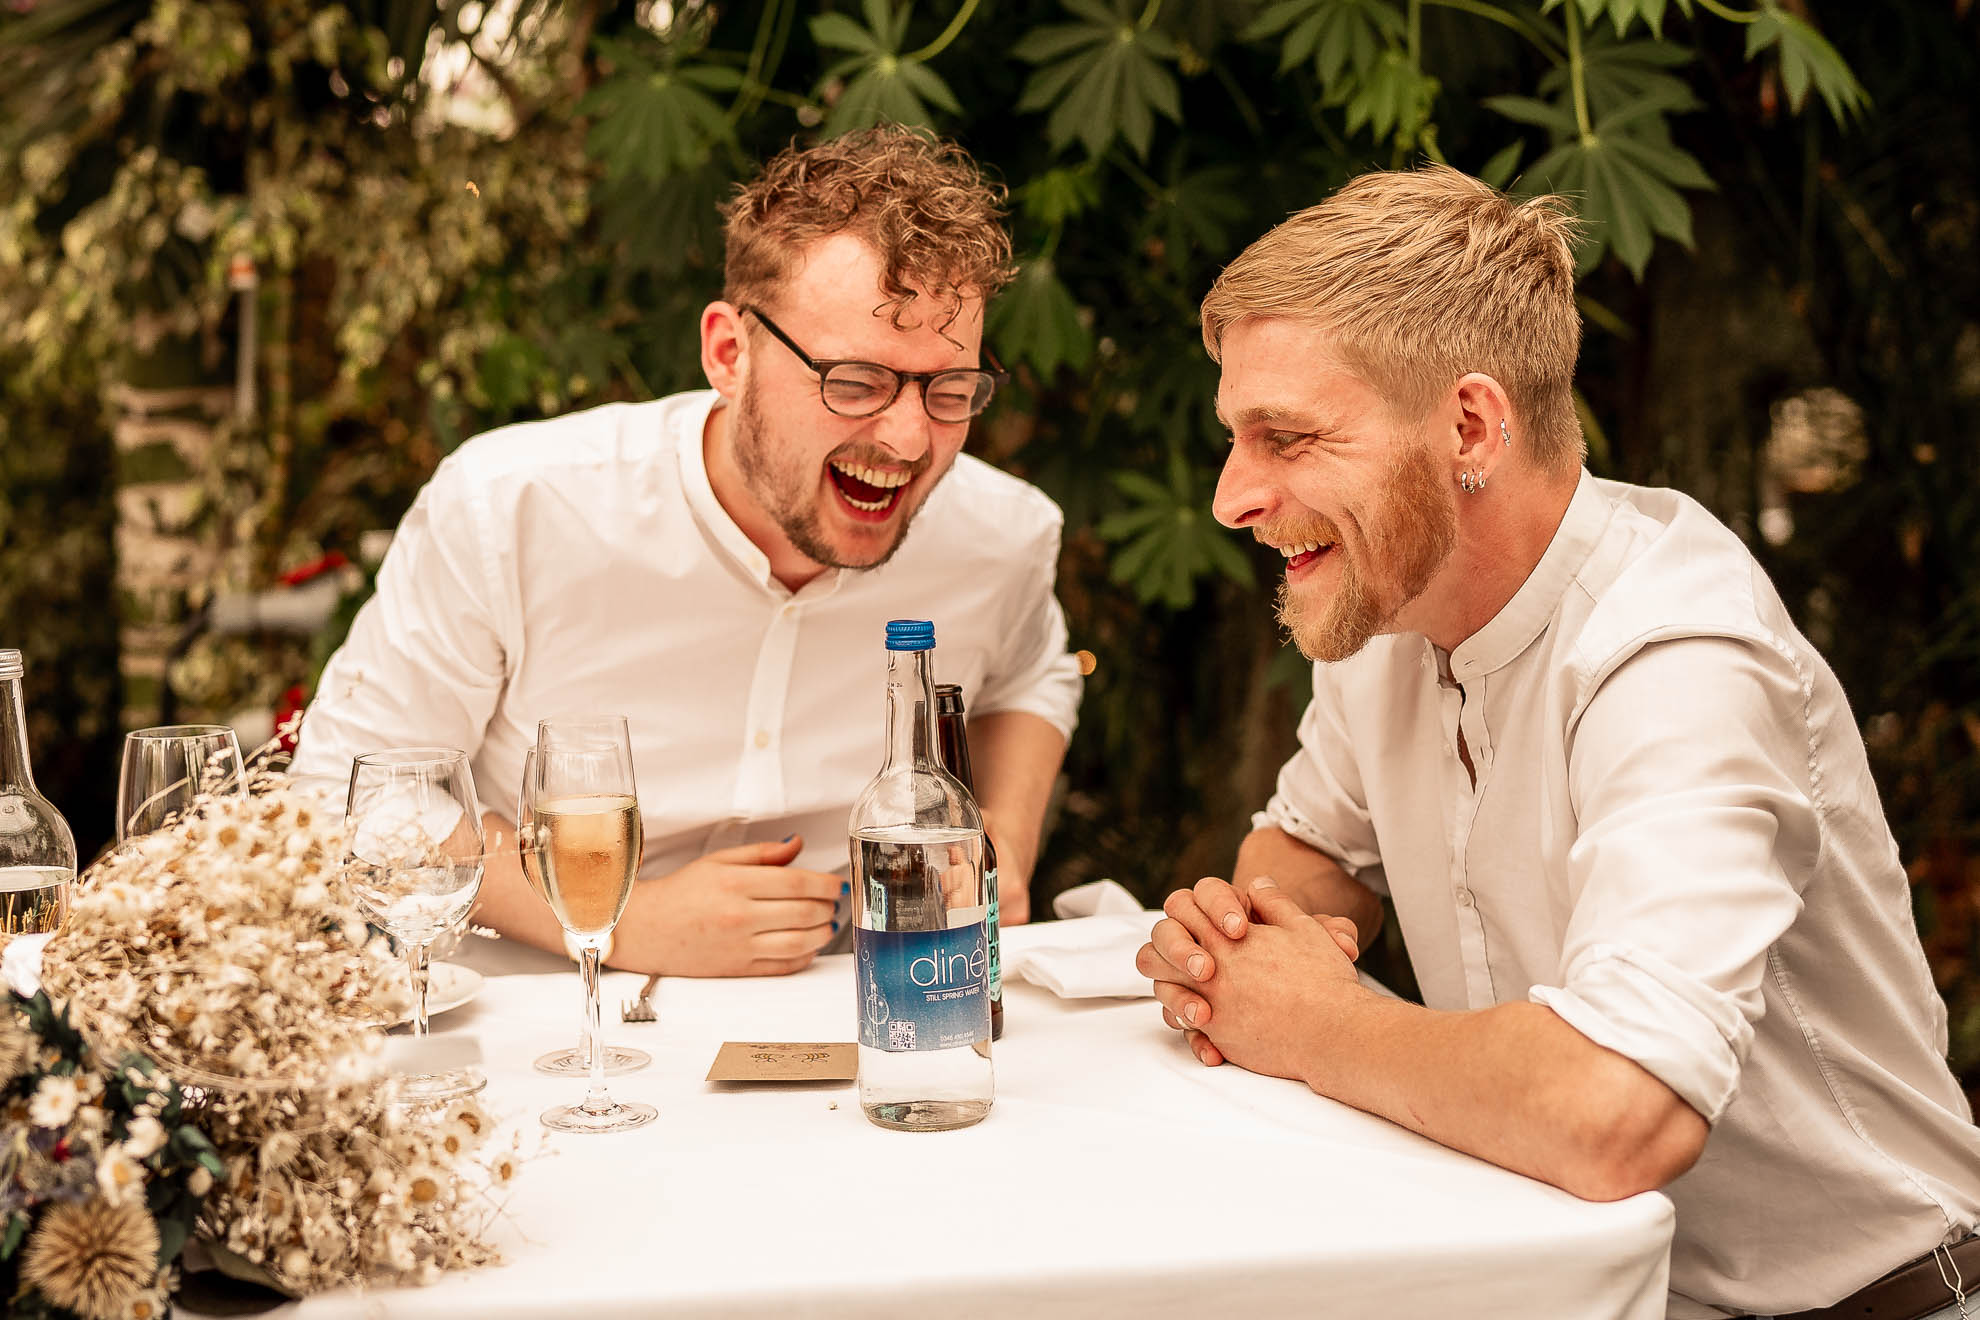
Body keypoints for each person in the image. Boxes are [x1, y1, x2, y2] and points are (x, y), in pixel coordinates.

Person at [1136, 165, 1980, 1320]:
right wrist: (1252, 941)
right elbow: (1305, 850)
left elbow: (1617, 1108)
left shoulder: (1678, 651)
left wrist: (1312, 1018)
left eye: (1286, 437)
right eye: (1240, 438)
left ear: (1469, 426)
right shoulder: (1397, 601)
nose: (1234, 495)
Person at [293, 127, 1080, 977]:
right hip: (542, 1033)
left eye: (950, 391)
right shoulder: (509, 506)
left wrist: (1007, 839)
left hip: (864, 1020)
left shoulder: (1005, 535)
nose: (909, 437)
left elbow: (1037, 670)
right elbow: (354, 793)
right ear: (728, 354)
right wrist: (617, 923)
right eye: (855, 382)